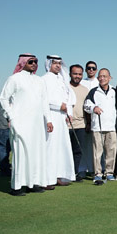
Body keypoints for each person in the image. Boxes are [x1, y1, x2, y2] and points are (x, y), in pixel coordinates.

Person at [0, 54, 53, 196]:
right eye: (31, 62)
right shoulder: (14, 79)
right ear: (23, 63)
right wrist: (11, 116)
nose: (34, 64)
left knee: (36, 154)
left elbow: (44, 101)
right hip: (20, 123)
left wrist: (49, 120)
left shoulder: (39, 80)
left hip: (37, 125)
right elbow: (3, 98)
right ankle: (16, 187)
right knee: (21, 155)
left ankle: (32, 184)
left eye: (36, 62)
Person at [42, 55, 75, 187]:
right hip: (50, 116)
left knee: (62, 147)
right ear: (49, 64)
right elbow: (44, 100)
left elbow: (69, 98)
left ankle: (59, 176)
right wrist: (58, 106)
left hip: (62, 118)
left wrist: (69, 113)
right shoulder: (43, 80)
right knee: (50, 148)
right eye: (54, 63)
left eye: (59, 63)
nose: (57, 66)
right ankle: (47, 179)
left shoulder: (62, 80)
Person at [84, 68, 117, 185]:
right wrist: (94, 108)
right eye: (100, 77)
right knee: (97, 152)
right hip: (98, 126)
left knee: (111, 151)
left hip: (111, 126)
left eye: (104, 76)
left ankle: (109, 173)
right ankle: (97, 174)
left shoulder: (114, 91)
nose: (102, 78)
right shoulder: (93, 91)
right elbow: (86, 105)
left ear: (109, 78)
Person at [68, 64, 89, 182]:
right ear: (70, 74)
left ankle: (76, 173)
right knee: (66, 150)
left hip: (81, 124)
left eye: (80, 74)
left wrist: (88, 123)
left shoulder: (85, 90)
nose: (77, 76)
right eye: (75, 73)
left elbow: (87, 108)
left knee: (78, 151)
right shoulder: (64, 87)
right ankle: (66, 174)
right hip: (66, 125)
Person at [79, 61, 98, 178]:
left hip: (97, 120)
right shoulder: (81, 83)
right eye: (89, 68)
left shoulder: (99, 83)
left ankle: (95, 169)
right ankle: (82, 169)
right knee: (84, 146)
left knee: (96, 146)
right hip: (83, 119)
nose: (91, 70)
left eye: (93, 68)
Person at [0, 105, 12, 177]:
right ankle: (5, 171)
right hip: (4, 126)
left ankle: (4, 169)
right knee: (4, 149)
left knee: (4, 149)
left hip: (0, 125)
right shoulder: (9, 97)